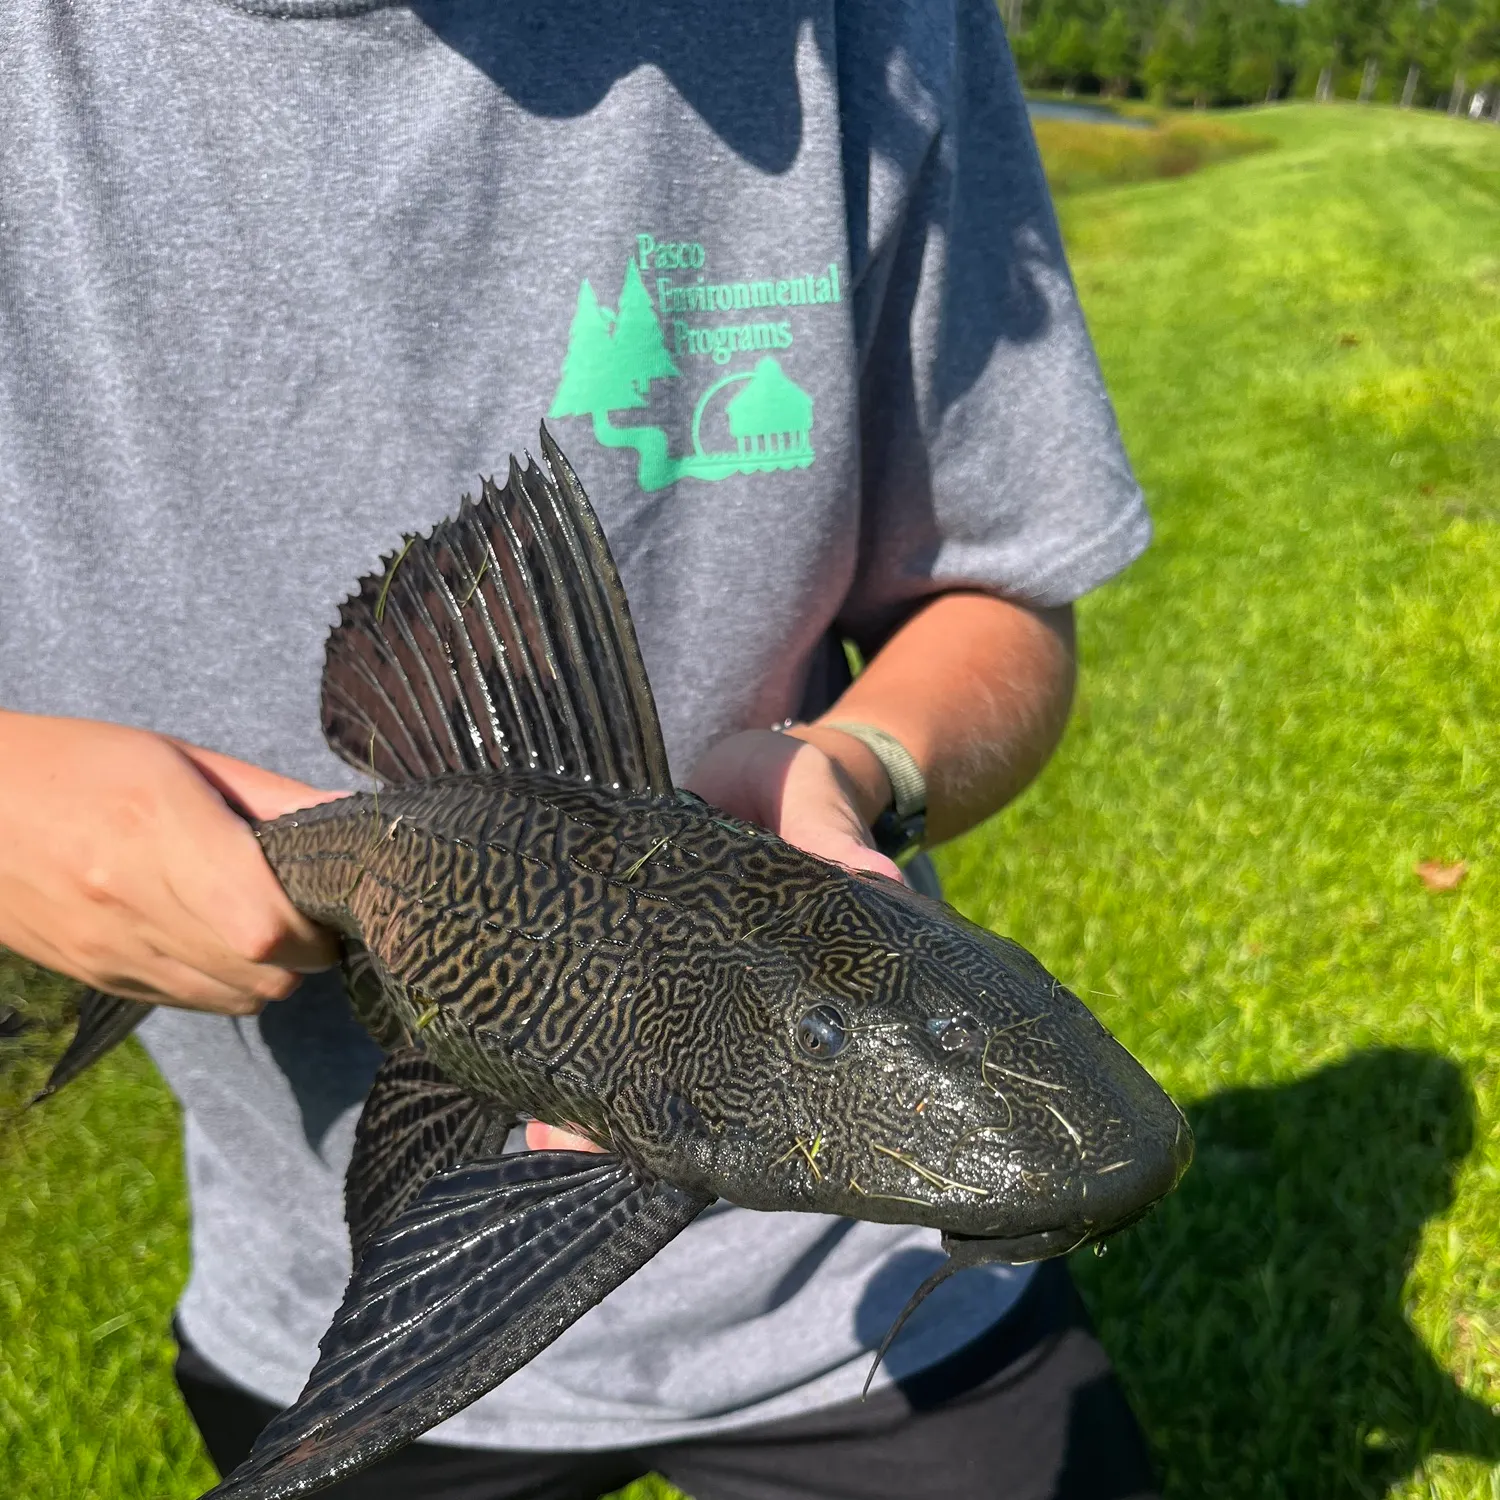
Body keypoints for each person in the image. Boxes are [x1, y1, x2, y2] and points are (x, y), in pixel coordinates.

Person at [0, 2, 1159, 1496]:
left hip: (837, 1285)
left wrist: (863, 763)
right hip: (331, 1288)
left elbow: (1001, 591)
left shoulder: (871, 24)